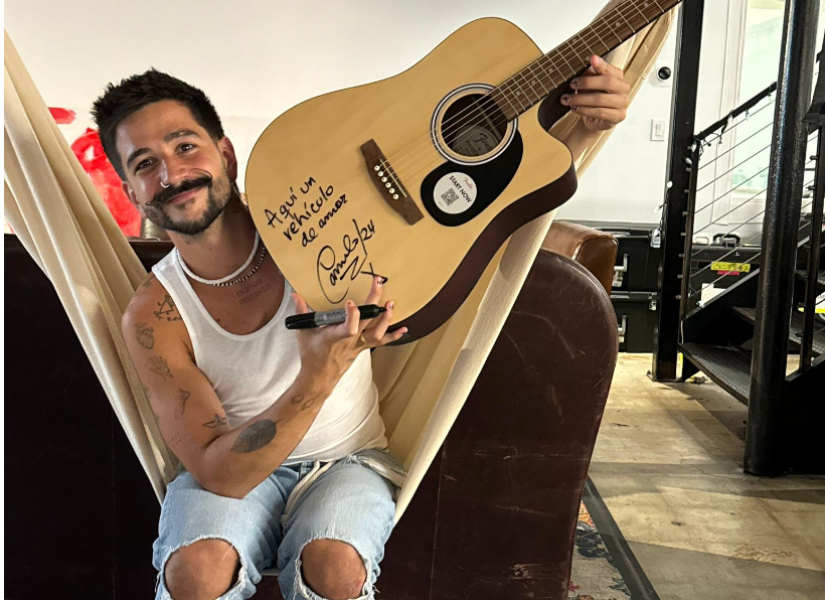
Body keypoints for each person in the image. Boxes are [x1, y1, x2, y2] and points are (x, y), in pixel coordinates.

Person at [93, 52, 629, 600]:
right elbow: (219, 473)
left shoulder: (313, 219)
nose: (172, 174)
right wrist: (318, 376)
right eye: (144, 164)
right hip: (235, 471)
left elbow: (468, 202)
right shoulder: (154, 316)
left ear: (224, 153)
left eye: (186, 146)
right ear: (131, 190)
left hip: (348, 461)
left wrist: (578, 130)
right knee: (195, 574)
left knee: (338, 569)